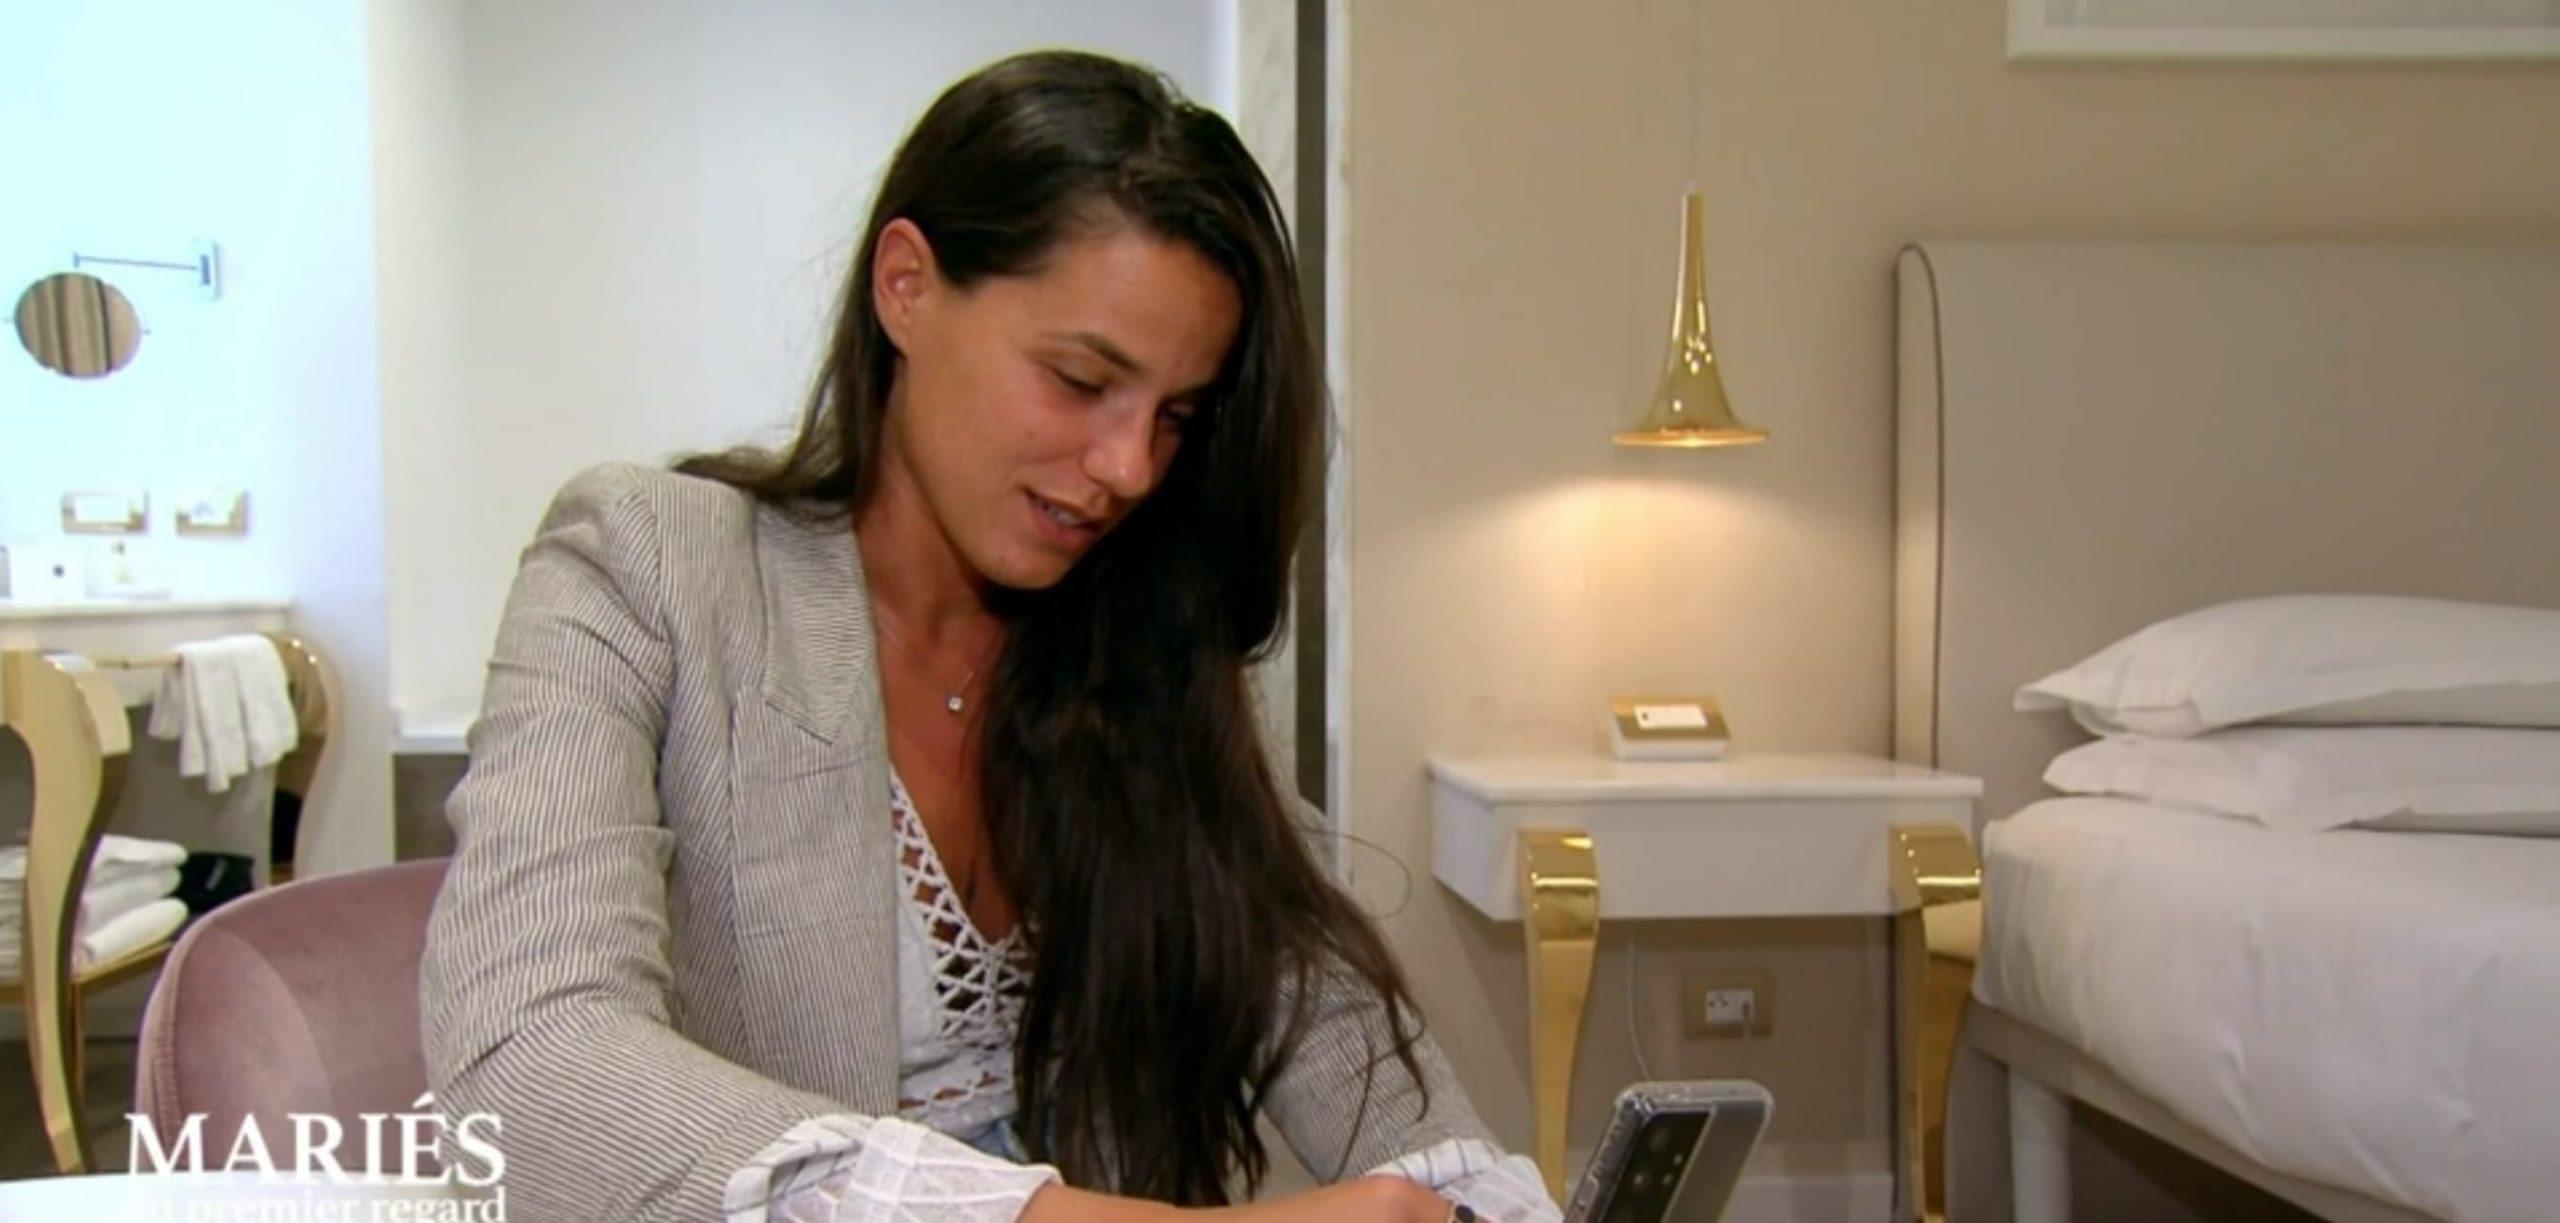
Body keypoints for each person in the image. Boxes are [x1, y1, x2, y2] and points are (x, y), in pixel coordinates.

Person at [420, 49, 1558, 1223]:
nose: (1128, 467)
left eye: (1174, 415)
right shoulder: (647, 563)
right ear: (905, 286)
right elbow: (528, 1055)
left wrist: (1480, 1202)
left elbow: (1366, 1062)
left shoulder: (1144, 649)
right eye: (1079, 379)